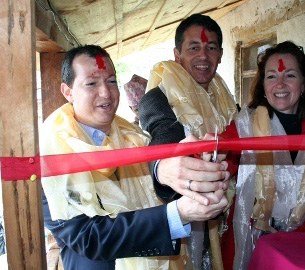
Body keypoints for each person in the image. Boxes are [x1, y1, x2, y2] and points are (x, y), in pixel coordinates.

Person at [40, 45, 229, 270]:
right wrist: (178, 214)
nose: (105, 93)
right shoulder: (53, 156)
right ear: (67, 91)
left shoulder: (131, 136)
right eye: (91, 83)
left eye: (111, 81)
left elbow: (158, 172)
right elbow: (87, 237)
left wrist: (195, 164)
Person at [220, 41, 305, 270]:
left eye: (290, 75)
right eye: (271, 76)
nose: (280, 84)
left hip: (299, 249)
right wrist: (206, 155)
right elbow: (219, 155)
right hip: (247, 246)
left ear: (304, 85)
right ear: (263, 86)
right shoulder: (244, 128)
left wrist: (289, 237)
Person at [139, 13, 238, 269]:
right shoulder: (158, 95)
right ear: (177, 54)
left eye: (211, 48)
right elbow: (163, 137)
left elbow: (242, 127)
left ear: (221, 54)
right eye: (193, 48)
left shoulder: (223, 95)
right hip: (183, 216)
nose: (203, 56)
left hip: (226, 212)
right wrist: (165, 166)